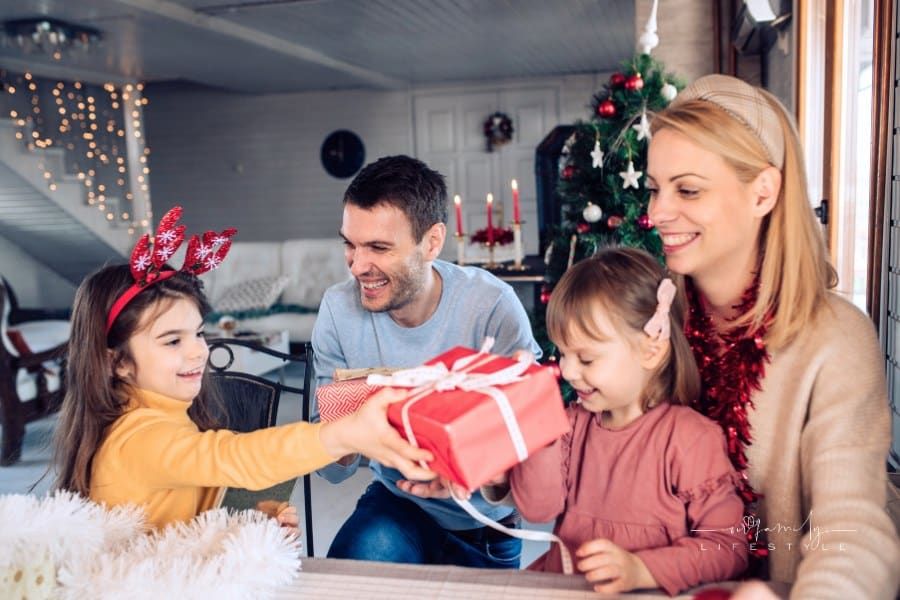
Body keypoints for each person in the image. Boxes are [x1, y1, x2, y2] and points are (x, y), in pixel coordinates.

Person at [646, 74, 900, 598]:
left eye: (687, 189)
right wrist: (492, 465)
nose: (656, 213)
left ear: (763, 191)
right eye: (654, 188)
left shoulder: (835, 340)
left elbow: (851, 534)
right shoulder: (653, 317)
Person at [51, 221, 434, 532]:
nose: (197, 351)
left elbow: (181, 520)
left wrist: (245, 526)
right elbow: (236, 456)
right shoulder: (137, 439)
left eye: (198, 333)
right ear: (118, 362)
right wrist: (345, 433)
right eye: (172, 341)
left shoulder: (159, 417)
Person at [312, 154, 541, 568]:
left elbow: (533, 459)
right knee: (355, 570)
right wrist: (344, 436)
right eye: (350, 244)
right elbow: (331, 470)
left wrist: (479, 469)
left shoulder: (492, 307)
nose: (358, 266)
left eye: (379, 247)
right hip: (396, 504)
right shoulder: (337, 309)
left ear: (432, 242)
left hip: (483, 524)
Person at [477, 247, 748, 595]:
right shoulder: (571, 424)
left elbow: (728, 547)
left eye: (586, 359)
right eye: (563, 353)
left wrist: (643, 570)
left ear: (651, 350)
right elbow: (538, 508)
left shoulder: (689, 439)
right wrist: (538, 424)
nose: (568, 371)